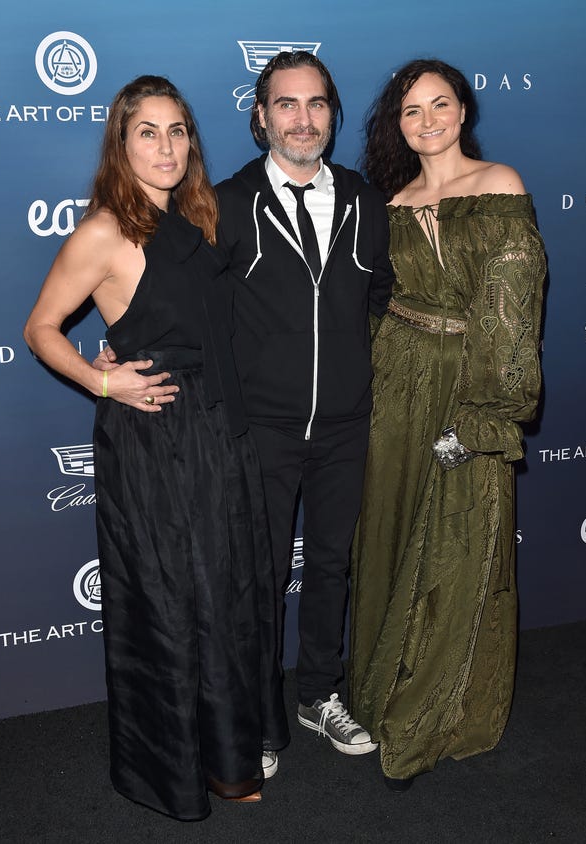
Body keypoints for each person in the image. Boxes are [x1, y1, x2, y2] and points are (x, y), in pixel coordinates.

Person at [24, 75, 288, 821]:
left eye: (178, 131)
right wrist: (104, 385)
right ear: (121, 141)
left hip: (220, 433)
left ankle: (230, 752)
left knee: (229, 595)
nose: (166, 146)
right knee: (177, 604)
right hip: (158, 442)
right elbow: (40, 329)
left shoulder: (198, 219)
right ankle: (175, 766)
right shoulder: (106, 230)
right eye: (149, 131)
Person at [348, 59, 546, 792]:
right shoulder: (389, 199)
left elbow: (512, 309)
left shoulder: (500, 184)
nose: (427, 119)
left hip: (469, 379)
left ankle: (439, 706)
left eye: (440, 104)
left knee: (462, 538)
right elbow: (371, 300)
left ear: (463, 109)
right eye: (410, 110)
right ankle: (381, 688)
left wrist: (486, 414)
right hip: (396, 380)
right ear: (395, 124)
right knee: (391, 530)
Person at [214, 50, 394, 763]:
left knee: (331, 565)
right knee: (255, 575)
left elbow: (379, 301)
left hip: (347, 425)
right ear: (261, 117)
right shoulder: (225, 203)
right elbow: (191, 309)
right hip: (262, 427)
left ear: (332, 114)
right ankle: (256, 714)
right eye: (286, 104)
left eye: (316, 104)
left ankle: (320, 692)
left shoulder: (363, 199)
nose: (302, 118)